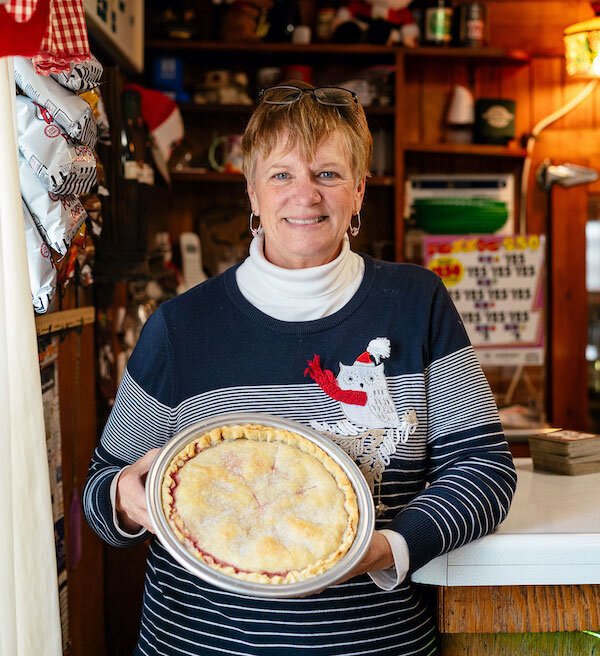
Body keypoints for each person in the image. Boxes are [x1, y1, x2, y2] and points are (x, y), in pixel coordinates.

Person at [83, 81, 517, 656]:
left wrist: (386, 546)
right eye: (282, 175)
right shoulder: (182, 327)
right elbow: (97, 495)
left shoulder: (416, 304)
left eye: (329, 174)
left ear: (360, 190)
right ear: (252, 192)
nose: (305, 195)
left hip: (375, 644)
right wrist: (126, 498)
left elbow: (485, 469)